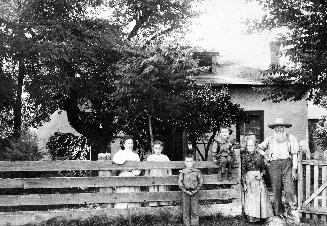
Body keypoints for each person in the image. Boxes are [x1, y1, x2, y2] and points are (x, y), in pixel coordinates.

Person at [258, 117, 299, 220]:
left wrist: (294, 169)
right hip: (274, 166)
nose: (279, 129)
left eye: (281, 127)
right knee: (276, 189)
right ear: (274, 129)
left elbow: (294, 154)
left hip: (287, 165)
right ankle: (278, 213)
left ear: (284, 128)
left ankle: (290, 210)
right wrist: (266, 156)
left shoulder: (291, 138)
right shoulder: (270, 139)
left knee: (289, 188)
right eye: (277, 128)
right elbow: (259, 148)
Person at [242, 138, 273, 223]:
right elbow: (243, 171)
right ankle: (252, 218)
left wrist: (261, 175)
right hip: (249, 179)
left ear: (255, 146)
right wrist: (244, 183)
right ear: (246, 147)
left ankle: (262, 216)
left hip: (259, 179)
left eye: (252, 145)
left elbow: (264, 169)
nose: (250, 147)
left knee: (261, 195)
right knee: (251, 197)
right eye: (249, 145)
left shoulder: (259, 155)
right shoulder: (244, 156)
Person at [112, 136, 141, 209]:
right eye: (128, 143)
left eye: (131, 143)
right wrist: (125, 160)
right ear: (124, 145)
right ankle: (122, 208)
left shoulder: (135, 155)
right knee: (123, 191)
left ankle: (133, 208)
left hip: (132, 175)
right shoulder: (120, 153)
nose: (130, 145)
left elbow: (138, 167)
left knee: (132, 191)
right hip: (124, 174)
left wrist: (134, 172)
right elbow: (117, 160)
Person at [178, 154, 204, 226]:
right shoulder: (182, 172)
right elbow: (180, 183)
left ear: (194, 162)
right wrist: (185, 190)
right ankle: (186, 223)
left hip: (195, 192)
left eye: (191, 161)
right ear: (185, 162)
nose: (189, 163)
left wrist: (196, 190)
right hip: (185, 192)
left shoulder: (197, 172)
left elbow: (200, 182)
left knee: (195, 209)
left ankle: (195, 223)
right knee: (186, 209)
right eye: (187, 161)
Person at [146, 140, 171, 207]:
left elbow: (169, 168)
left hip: (162, 176)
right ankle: (153, 204)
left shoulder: (165, 157)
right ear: (153, 149)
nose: (157, 150)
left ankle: (163, 204)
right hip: (153, 176)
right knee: (153, 190)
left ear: (162, 148)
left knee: (162, 189)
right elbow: (147, 169)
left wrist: (169, 176)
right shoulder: (150, 157)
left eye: (159, 148)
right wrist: (147, 176)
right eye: (156, 148)